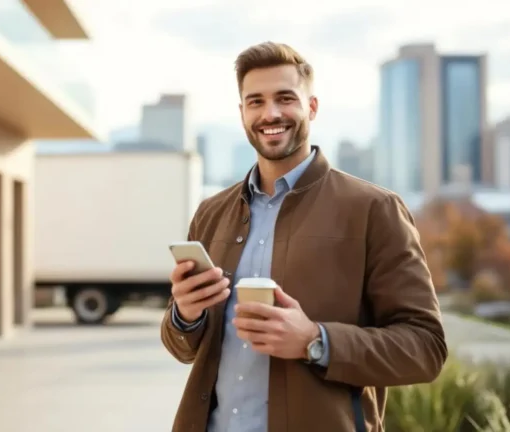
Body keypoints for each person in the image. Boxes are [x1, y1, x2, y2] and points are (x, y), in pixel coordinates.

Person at [160, 41, 447, 432]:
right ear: (242, 112)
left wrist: (316, 341)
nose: (270, 114)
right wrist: (185, 314)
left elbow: (426, 348)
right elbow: (183, 347)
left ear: (311, 107)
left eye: (285, 98)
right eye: (255, 101)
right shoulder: (212, 213)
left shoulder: (374, 210)